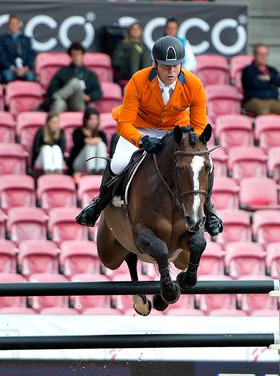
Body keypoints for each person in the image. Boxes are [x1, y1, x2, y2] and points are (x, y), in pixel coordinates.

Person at [75, 36, 223, 236]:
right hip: (140, 127)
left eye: (175, 65)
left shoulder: (194, 84)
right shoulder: (138, 80)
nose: (171, 71)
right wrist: (142, 140)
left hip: (175, 131)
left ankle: (209, 209)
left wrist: (190, 147)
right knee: (118, 163)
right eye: (164, 66)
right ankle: (99, 203)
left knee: (206, 162)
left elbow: (198, 126)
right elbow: (124, 124)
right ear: (154, 63)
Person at [241, 43, 280, 123]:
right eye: (260, 54)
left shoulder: (272, 70)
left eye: (265, 54)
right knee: (263, 111)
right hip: (253, 101)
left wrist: (269, 78)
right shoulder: (248, 70)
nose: (263, 56)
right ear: (254, 55)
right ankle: (261, 133)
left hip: (273, 101)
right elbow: (254, 83)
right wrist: (271, 81)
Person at [47, 42, 102, 115]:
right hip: (64, 101)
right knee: (58, 103)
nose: (77, 57)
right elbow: (52, 88)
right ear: (70, 56)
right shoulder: (62, 72)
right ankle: (48, 125)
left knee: (75, 82)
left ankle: (57, 97)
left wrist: (89, 97)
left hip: (79, 103)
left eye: (79, 54)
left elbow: (98, 91)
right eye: (74, 55)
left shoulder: (91, 74)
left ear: (83, 55)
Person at [0, 15, 36, 83]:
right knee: (8, 76)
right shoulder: (3, 39)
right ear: (8, 25)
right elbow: (2, 57)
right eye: (11, 24)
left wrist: (26, 68)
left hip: (24, 68)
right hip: (10, 68)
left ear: (19, 24)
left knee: (30, 76)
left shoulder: (26, 39)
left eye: (16, 24)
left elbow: (31, 55)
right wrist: (14, 69)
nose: (14, 26)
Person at [69, 108, 108, 175]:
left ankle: (101, 169)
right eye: (91, 119)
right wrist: (89, 141)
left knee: (101, 144)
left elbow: (104, 147)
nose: (94, 122)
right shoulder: (77, 132)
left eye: (96, 119)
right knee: (89, 146)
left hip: (97, 163)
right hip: (80, 163)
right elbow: (77, 144)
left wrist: (96, 141)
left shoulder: (101, 134)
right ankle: (91, 169)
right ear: (86, 120)